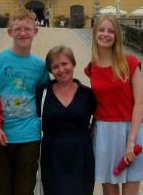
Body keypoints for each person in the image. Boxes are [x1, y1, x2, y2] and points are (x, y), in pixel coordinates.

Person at [84, 13, 143, 195]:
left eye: (111, 31)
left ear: (117, 36)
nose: (105, 34)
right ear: (95, 33)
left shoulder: (129, 63)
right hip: (104, 134)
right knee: (109, 191)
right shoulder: (92, 67)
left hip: (131, 131)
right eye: (101, 30)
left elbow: (140, 103)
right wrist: (89, 122)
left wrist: (131, 140)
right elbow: (95, 101)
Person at [0, 8, 51, 195]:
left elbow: (48, 99)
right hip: (0, 136)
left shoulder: (39, 66)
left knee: (24, 189)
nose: (23, 33)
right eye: (18, 29)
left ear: (35, 31)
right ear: (10, 32)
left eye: (27, 29)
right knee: (1, 189)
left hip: (29, 137)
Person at [37, 46, 95, 195]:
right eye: (55, 67)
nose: (61, 69)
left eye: (64, 64)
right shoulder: (43, 94)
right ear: (50, 71)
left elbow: (102, 115)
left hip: (81, 153)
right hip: (52, 154)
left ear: (73, 64)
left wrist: (94, 127)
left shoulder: (87, 94)